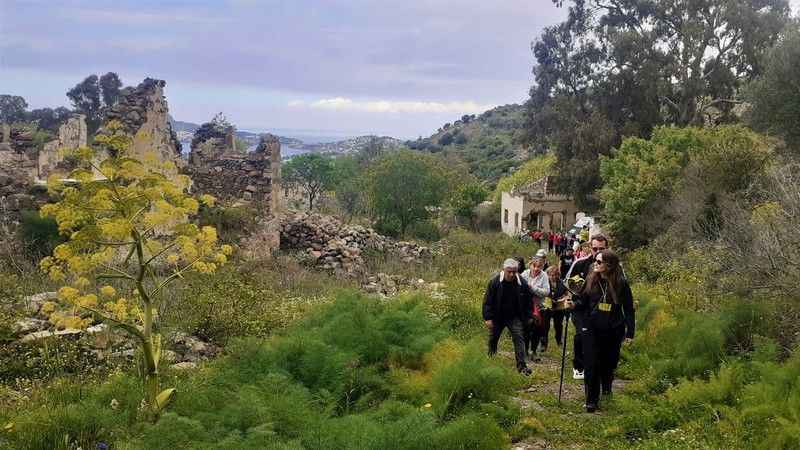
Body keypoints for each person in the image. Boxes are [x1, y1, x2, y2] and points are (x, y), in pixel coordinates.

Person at [565, 250, 635, 412]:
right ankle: (591, 400)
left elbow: (629, 309)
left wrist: (630, 333)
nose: (595, 264)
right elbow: (582, 302)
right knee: (591, 364)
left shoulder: (621, 283)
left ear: (609, 265)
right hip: (591, 328)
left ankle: (607, 387)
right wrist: (573, 305)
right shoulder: (591, 279)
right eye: (595, 261)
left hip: (613, 329)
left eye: (598, 262)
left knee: (608, 363)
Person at [563, 234, 610, 380]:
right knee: (580, 335)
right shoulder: (580, 263)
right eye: (595, 248)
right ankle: (579, 366)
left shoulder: (613, 266)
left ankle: (597, 365)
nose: (598, 252)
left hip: (601, 308)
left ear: (607, 248)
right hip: (580, 308)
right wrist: (570, 300)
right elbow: (568, 283)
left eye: (601, 249)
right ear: (590, 248)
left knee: (599, 338)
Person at [483, 258, 535, 375]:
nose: (511, 274)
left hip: (514, 316)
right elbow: (487, 301)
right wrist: (488, 318)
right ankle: (491, 357)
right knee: (493, 337)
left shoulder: (522, 283)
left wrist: (529, 315)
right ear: (504, 270)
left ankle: (522, 366)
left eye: (514, 272)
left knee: (519, 337)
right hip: (498, 316)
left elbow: (528, 301)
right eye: (509, 271)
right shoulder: (495, 282)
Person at [521, 257, 549, 360]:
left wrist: (532, 288)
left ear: (542, 267)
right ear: (530, 265)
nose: (536, 268)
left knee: (537, 329)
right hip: (526, 306)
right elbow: (519, 287)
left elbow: (546, 292)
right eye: (534, 266)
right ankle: (525, 350)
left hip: (539, 306)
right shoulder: (524, 274)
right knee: (526, 328)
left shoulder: (544, 275)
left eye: (539, 267)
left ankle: (534, 351)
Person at [540, 265, 567, 349]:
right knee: (545, 325)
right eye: (551, 275)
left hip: (559, 307)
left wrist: (562, 298)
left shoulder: (562, 283)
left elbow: (566, 294)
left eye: (556, 275)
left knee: (558, 325)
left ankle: (559, 341)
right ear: (547, 275)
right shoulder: (544, 282)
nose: (554, 277)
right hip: (547, 306)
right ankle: (543, 344)